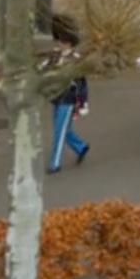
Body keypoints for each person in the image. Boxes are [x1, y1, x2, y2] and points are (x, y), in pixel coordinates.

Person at [46, 14, 92, 171]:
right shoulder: (55, 56)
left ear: (68, 42)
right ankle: (81, 146)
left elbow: (81, 84)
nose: (58, 44)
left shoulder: (75, 60)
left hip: (68, 99)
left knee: (59, 131)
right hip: (56, 97)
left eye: (61, 41)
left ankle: (54, 163)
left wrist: (84, 103)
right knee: (63, 129)